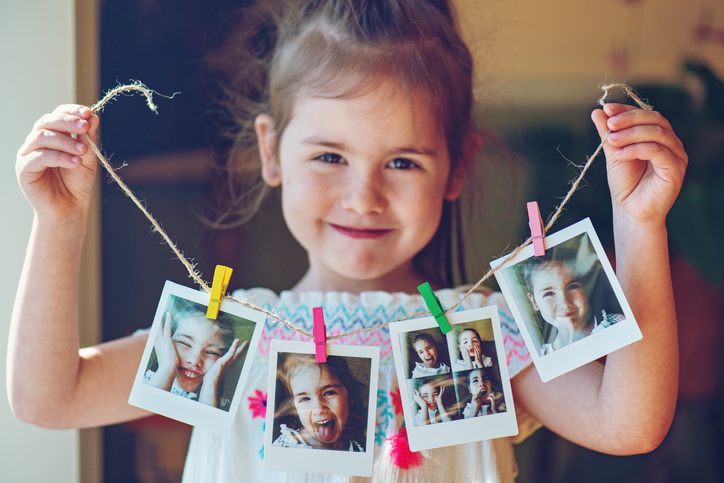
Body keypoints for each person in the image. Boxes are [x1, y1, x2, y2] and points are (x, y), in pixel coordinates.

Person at [8, 0, 687, 481]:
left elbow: (628, 423)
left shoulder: (491, 337)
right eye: (330, 157)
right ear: (271, 153)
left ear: (456, 165)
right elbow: (49, 396)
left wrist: (640, 224)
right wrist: (59, 226)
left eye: (402, 161)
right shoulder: (226, 338)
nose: (364, 196)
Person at [143, 300, 248, 409]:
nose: (194, 360)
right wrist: (167, 367)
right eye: (185, 343)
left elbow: (206, 423)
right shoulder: (147, 382)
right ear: (165, 342)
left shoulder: (220, 403)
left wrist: (210, 383)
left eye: (211, 352)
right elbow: (147, 408)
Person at [523, 246, 626, 354]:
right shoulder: (545, 356)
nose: (565, 303)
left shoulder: (617, 323)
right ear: (534, 301)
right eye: (549, 293)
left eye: (572, 287)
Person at [272, 354, 366, 451]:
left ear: (350, 395)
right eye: (305, 399)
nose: (319, 409)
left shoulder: (358, 449)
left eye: (329, 393)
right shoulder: (286, 447)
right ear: (295, 408)